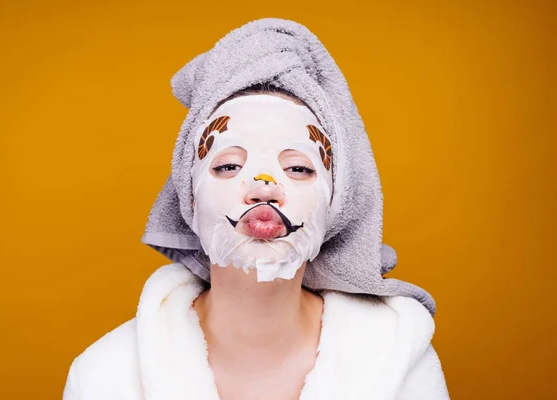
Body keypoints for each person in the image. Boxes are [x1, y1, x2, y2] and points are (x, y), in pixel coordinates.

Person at [63, 18, 449, 400]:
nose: (264, 187)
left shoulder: (398, 361)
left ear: (336, 201)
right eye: (229, 166)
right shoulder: (103, 375)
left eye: (298, 168)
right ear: (190, 198)